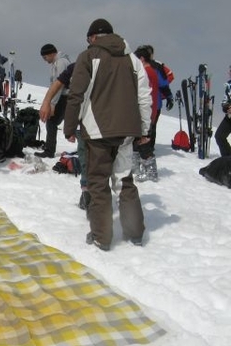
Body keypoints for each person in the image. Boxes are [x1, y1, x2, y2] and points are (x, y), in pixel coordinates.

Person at [63, 18, 152, 251]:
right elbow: (144, 96)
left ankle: (101, 236)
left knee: (98, 183)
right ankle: (135, 233)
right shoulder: (132, 58)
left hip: (97, 131)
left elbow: (77, 95)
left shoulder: (88, 57)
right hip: (126, 132)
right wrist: (144, 129)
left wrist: (70, 127)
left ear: (92, 37)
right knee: (124, 180)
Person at [39, 62, 91, 209]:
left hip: (92, 122)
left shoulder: (77, 64)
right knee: (91, 158)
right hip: (103, 123)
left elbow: (72, 95)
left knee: (87, 157)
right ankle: (92, 194)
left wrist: (51, 103)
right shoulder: (119, 62)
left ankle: (89, 193)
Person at [133, 46, 165, 182]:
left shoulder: (146, 72)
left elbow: (144, 94)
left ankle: (150, 170)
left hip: (146, 111)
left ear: (141, 59)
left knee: (143, 140)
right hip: (149, 109)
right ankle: (136, 167)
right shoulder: (151, 71)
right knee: (137, 139)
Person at [35, 43, 71, 158]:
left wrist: (52, 104)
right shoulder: (59, 62)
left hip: (64, 97)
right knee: (53, 122)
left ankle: (49, 151)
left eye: (45, 57)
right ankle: (49, 149)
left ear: (51, 54)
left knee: (51, 121)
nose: (45, 60)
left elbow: (59, 85)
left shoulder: (60, 63)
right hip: (64, 97)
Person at [215, 66, 231, 157]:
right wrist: (226, 107)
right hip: (229, 117)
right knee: (219, 136)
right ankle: (228, 160)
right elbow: (225, 101)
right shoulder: (229, 86)